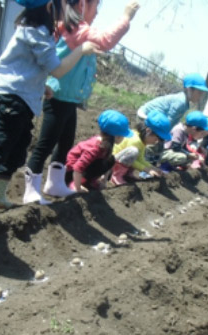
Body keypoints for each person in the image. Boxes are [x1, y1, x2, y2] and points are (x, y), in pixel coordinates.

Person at [0, 0, 100, 219]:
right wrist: (80, 50)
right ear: (50, 7)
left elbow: (31, 67)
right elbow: (58, 69)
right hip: (10, 98)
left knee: (17, 149)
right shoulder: (35, 32)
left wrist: (42, 86)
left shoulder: (41, 32)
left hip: (23, 99)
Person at [22, 0, 140, 204]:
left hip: (68, 98)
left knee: (65, 143)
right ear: (81, 6)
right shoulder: (76, 28)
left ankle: (55, 183)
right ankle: (31, 189)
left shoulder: (76, 29)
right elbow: (105, 41)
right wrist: (126, 17)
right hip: (58, 96)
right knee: (46, 143)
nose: (96, 14)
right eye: (95, 7)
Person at [65, 110, 132, 192]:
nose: (123, 138)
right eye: (123, 136)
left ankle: (90, 180)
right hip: (71, 171)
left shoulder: (106, 144)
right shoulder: (95, 148)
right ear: (117, 136)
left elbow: (107, 163)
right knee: (103, 162)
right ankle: (74, 183)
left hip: (84, 168)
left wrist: (103, 181)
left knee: (110, 160)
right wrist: (77, 187)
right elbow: (77, 168)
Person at [110, 111, 170, 185]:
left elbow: (140, 159)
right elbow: (133, 161)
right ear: (148, 131)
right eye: (156, 139)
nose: (156, 142)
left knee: (135, 155)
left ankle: (127, 174)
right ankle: (116, 175)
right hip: (111, 162)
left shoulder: (142, 141)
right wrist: (147, 170)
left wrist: (153, 168)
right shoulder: (135, 140)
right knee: (133, 152)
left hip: (121, 160)